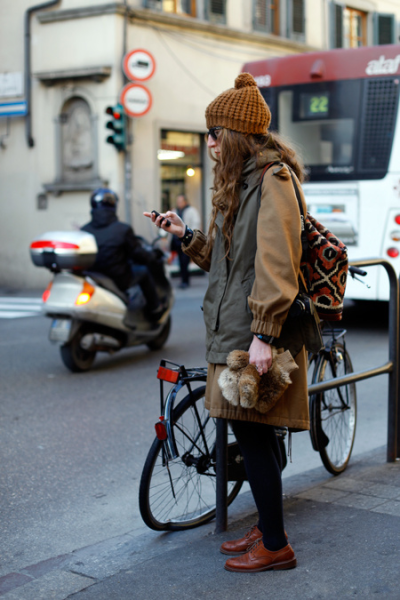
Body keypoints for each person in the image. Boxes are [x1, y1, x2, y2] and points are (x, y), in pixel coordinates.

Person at [144, 73, 309, 573]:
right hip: (230, 328)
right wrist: (188, 236)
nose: (209, 142)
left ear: (235, 134)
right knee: (248, 430)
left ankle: (276, 543)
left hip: (249, 334)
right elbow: (229, 261)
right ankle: (267, 524)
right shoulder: (241, 183)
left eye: (215, 133)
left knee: (254, 433)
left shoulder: (273, 180)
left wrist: (264, 333)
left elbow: (278, 262)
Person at [82, 188, 165, 321]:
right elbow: (139, 255)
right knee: (143, 272)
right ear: (113, 206)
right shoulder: (123, 229)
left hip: (93, 277)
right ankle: (155, 309)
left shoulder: (84, 230)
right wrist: (154, 256)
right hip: (118, 278)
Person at [170, 195, 200, 289]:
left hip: (186, 240)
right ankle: (183, 279)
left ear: (185, 201)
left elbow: (196, 224)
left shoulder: (191, 211)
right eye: (178, 201)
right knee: (180, 261)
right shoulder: (175, 211)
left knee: (184, 261)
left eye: (180, 201)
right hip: (177, 241)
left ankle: (185, 280)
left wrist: (191, 236)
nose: (179, 203)